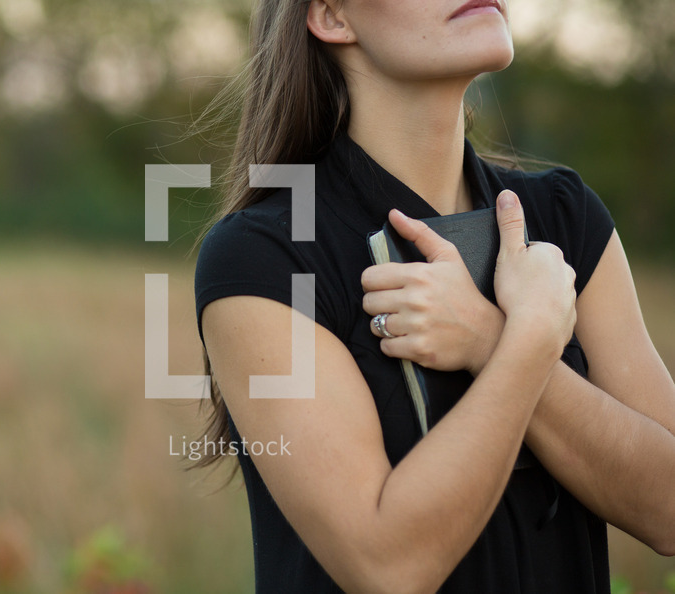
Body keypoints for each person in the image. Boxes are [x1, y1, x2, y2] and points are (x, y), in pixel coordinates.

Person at [192, 0, 675, 592]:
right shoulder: (264, 257)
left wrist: (487, 339)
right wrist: (527, 340)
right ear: (333, 17)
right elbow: (386, 565)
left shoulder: (565, 217)